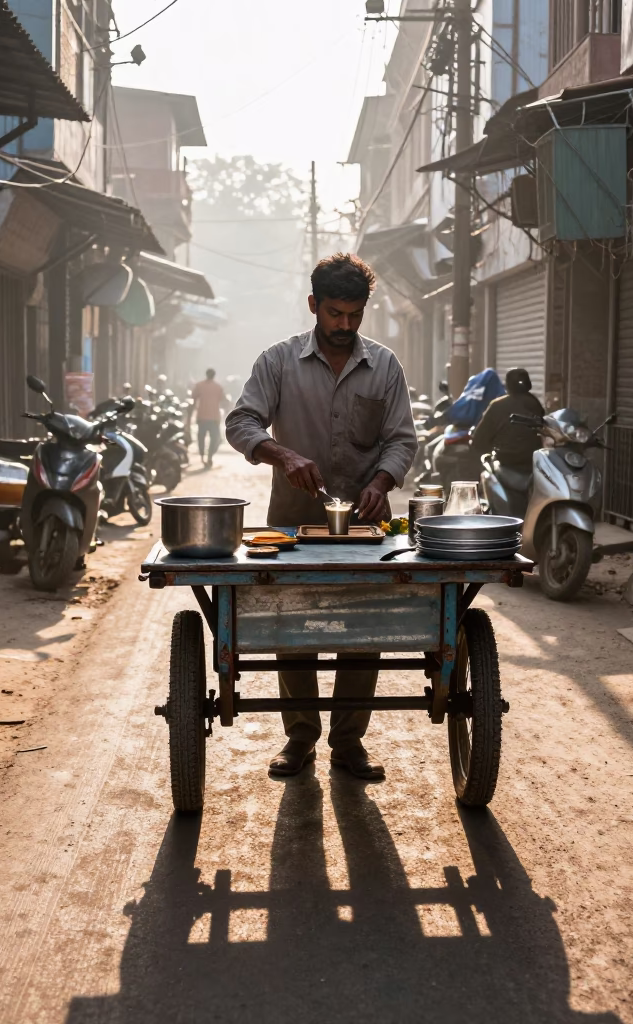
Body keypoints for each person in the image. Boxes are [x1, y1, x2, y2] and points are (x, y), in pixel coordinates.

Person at [226, 252, 418, 780]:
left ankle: (349, 743)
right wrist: (282, 454)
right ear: (314, 306)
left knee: (364, 630)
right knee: (297, 629)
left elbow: (401, 441)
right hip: (291, 526)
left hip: (365, 526)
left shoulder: (385, 366)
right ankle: (300, 740)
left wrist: (381, 481)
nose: (345, 325)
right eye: (335, 314)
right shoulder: (278, 362)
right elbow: (241, 422)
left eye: (355, 315)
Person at [470, 367, 546, 469]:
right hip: (533, 462)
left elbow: (479, 440)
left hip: (506, 462)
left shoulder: (497, 405)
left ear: (507, 385)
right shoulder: (535, 404)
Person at [191, 368, 227, 469]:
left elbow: (193, 399)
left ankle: (202, 456)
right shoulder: (218, 387)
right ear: (214, 375)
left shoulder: (199, 386)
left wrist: (191, 415)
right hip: (214, 418)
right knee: (215, 439)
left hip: (201, 417)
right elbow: (223, 400)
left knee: (201, 438)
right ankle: (210, 456)